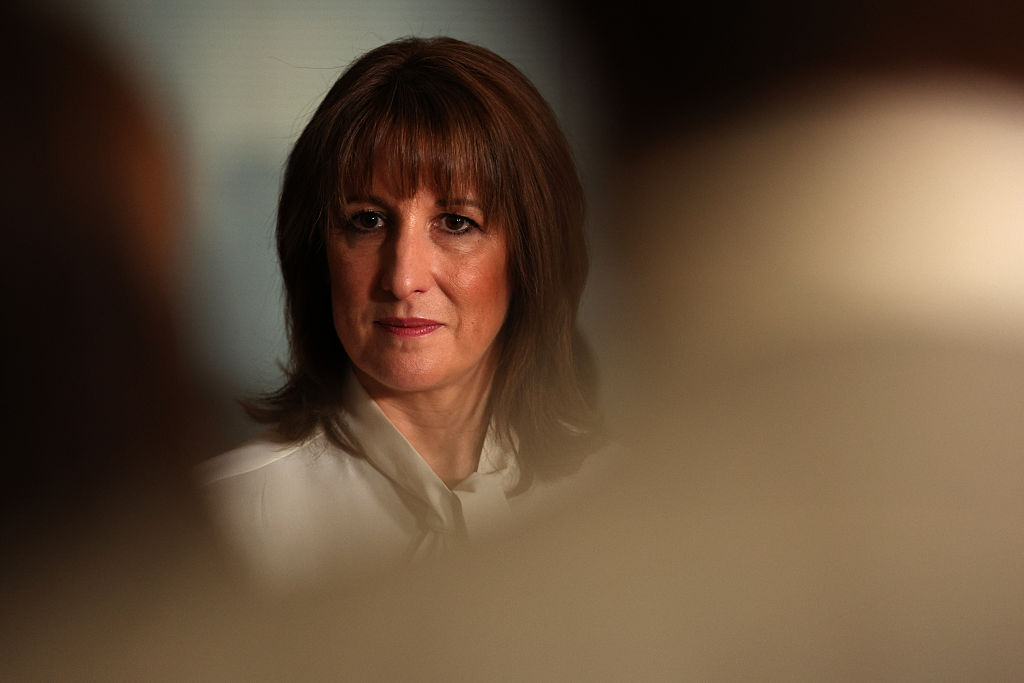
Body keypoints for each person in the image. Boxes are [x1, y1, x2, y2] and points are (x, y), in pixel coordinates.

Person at [199, 36, 606, 590]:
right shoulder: (220, 529)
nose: (402, 277)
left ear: (532, 256)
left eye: (456, 222)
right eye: (367, 220)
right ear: (318, 254)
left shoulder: (624, 503)